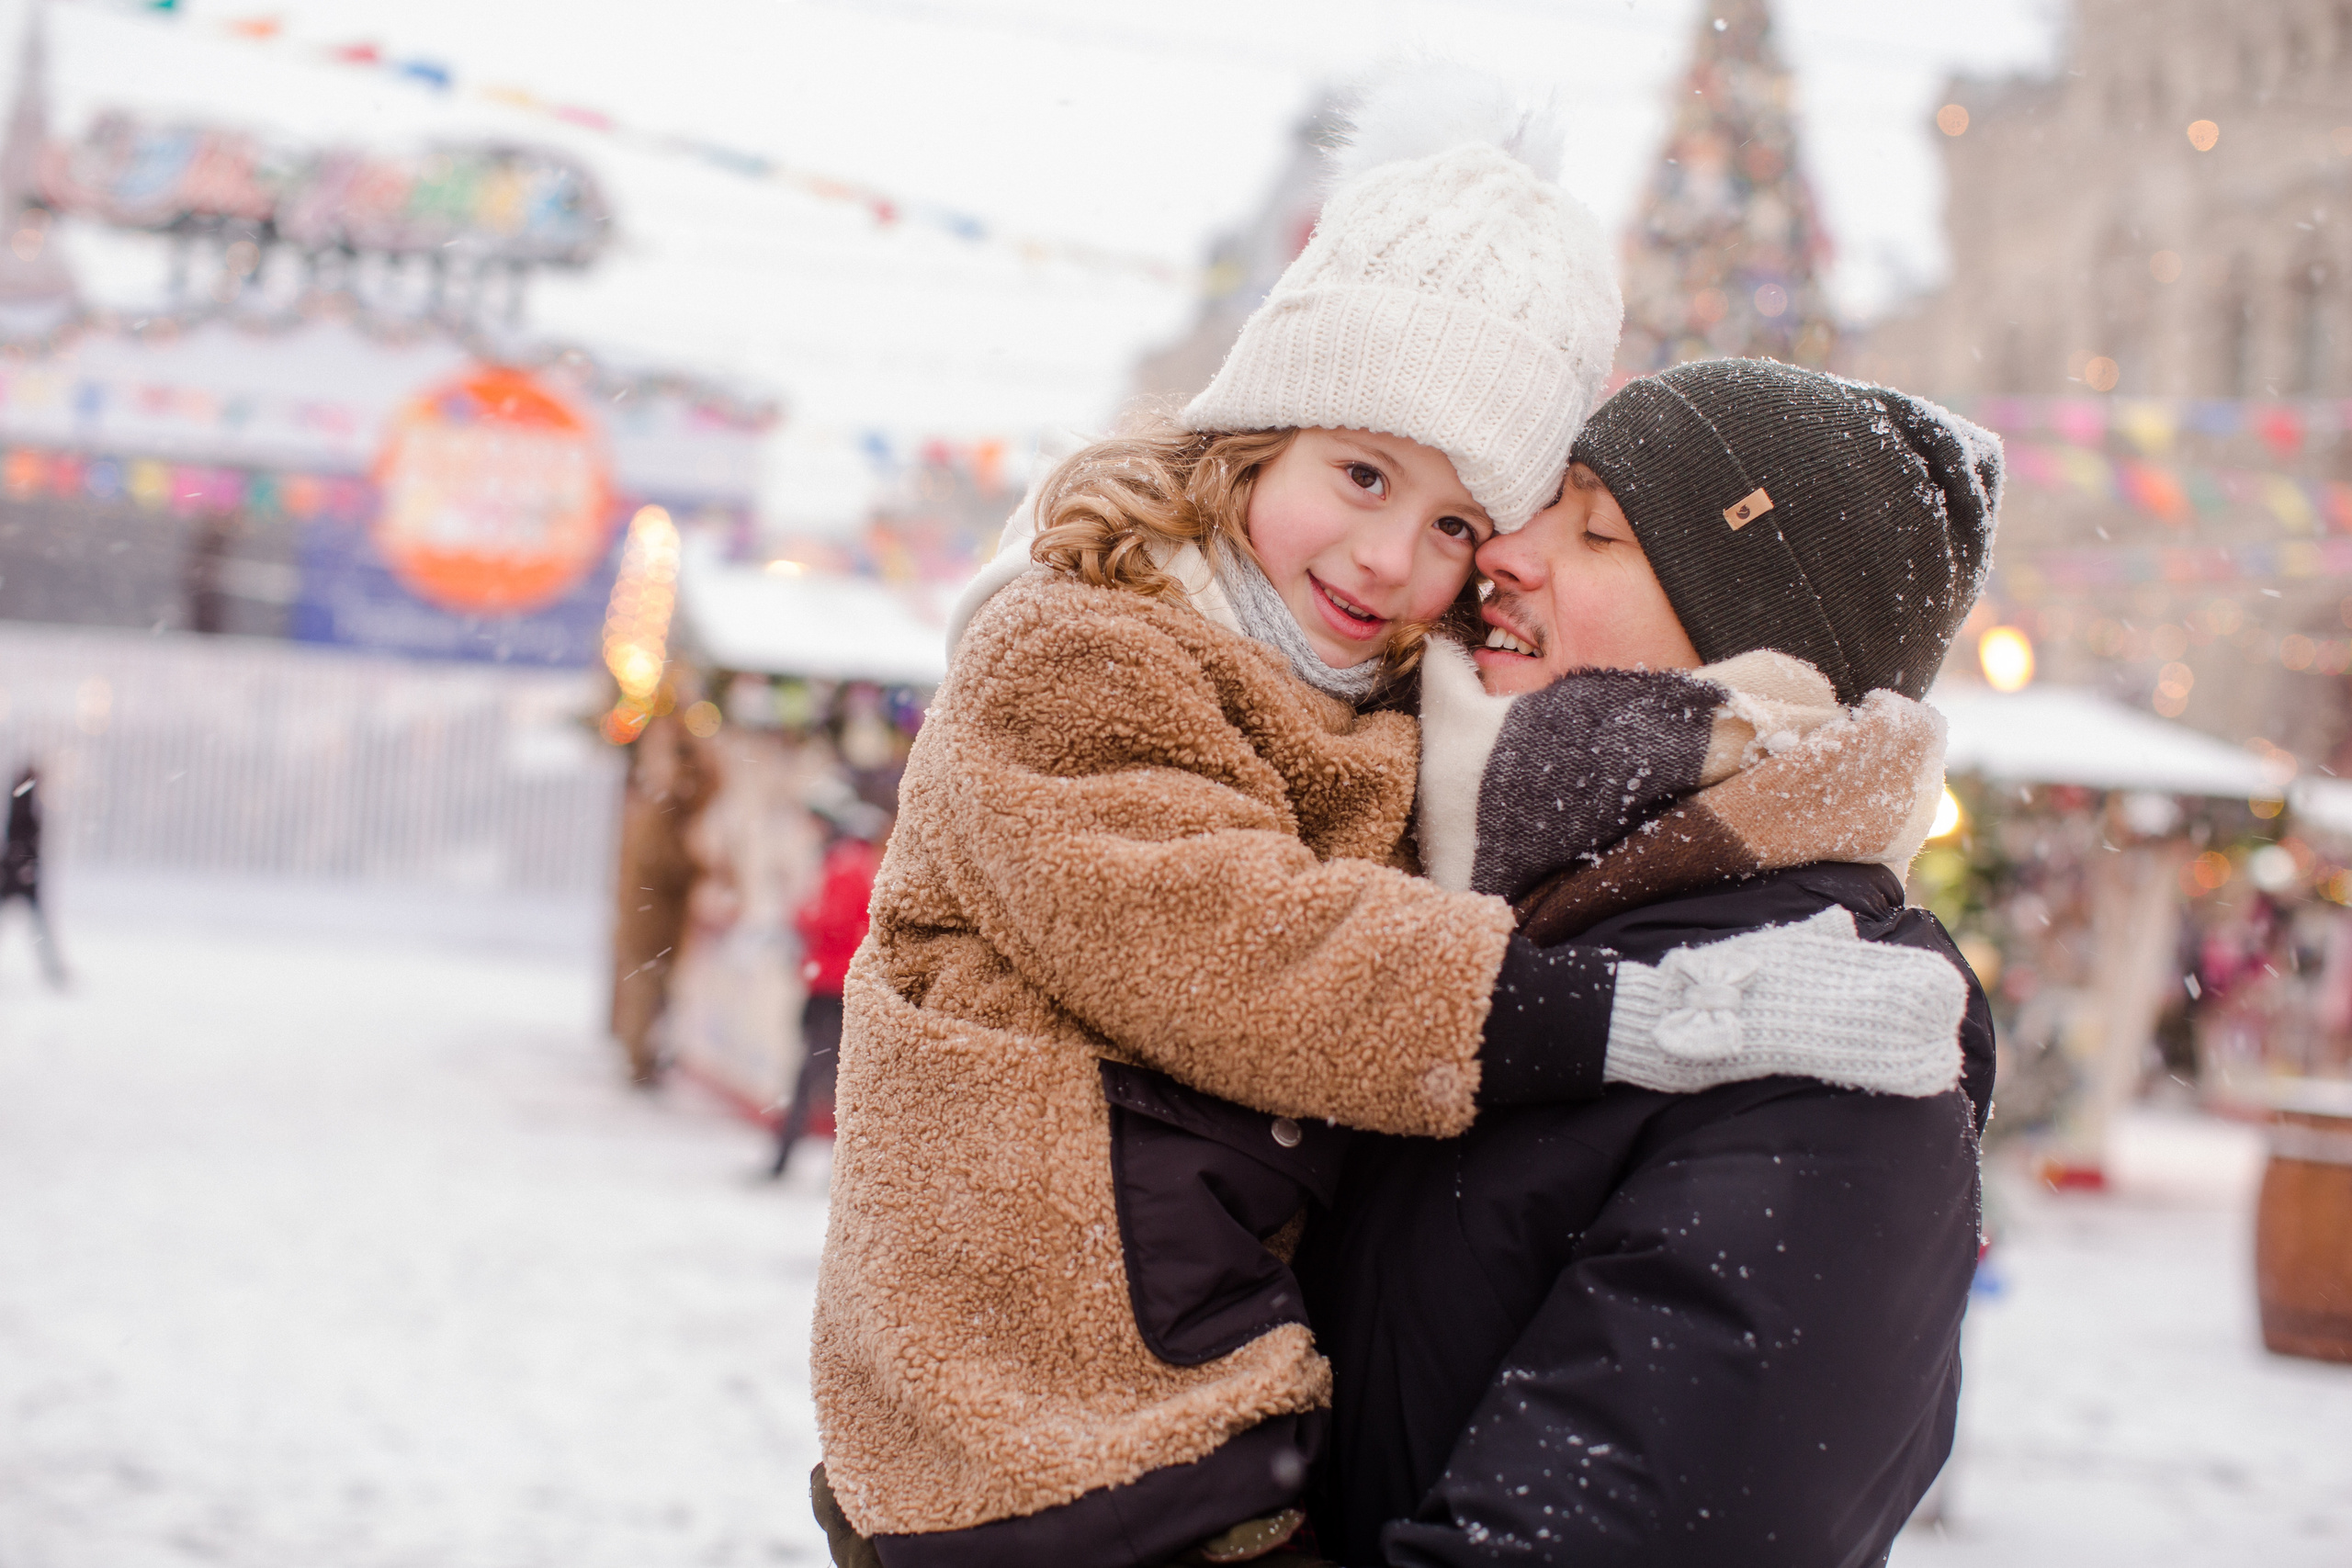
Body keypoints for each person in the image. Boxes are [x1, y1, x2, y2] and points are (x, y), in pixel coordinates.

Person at [808, 74, 1969, 1568]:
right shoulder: (1092, 650)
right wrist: (1633, 1018)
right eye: (1363, 473)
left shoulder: (1819, 1006)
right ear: (1252, 441)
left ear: (1733, 631)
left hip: (1175, 1429)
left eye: (1476, 526)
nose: (1413, 561)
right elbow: (1233, 946)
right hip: (1059, 1422)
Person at [1297, 356, 2005, 1566]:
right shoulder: (1465, 921)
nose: (1505, 548)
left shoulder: (1831, 1042)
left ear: (1755, 642)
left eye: (1601, 530)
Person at [770, 797, 888, 1180]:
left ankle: (791, 1158)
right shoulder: (857, 864)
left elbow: (828, 920)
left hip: (830, 986)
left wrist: (800, 915)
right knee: (830, 1078)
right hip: (838, 984)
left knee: (816, 1076)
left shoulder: (844, 864)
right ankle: (822, 1165)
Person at [1, 762, 66, 987]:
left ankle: (54, 970)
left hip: (17, 874)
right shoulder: (24, 801)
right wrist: (24, 867)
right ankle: (54, 971)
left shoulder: (22, 800)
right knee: (39, 927)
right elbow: (20, 839)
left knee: (39, 927)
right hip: (19, 875)